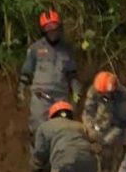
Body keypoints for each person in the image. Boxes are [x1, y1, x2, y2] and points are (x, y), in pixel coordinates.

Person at [18, 10, 82, 148]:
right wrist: (21, 90)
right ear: (43, 31)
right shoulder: (35, 49)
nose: (52, 32)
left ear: (60, 28)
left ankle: (59, 158)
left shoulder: (67, 49)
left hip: (60, 98)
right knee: (38, 130)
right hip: (40, 97)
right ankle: (37, 158)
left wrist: (76, 93)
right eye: (48, 29)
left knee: (63, 131)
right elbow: (26, 73)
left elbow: (72, 75)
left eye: (55, 28)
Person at [83, 71, 126, 172]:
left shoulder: (123, 96)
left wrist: (105, 141)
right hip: (102, 123)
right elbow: (88, 111)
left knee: (118, 151)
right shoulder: (95, 90)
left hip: (123, 125)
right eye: (100, 93)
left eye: (104, 93)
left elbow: (121, 123)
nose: (101, 94)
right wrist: (91, 129)